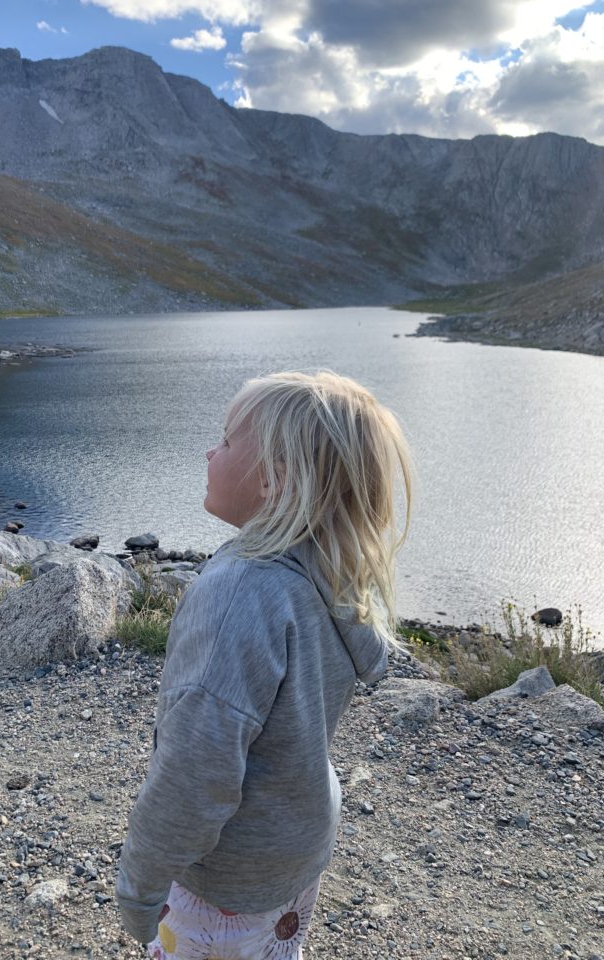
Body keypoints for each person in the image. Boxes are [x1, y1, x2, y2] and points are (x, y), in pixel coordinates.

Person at [116, 369, 413, 959]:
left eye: (226, 441)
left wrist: (140, 890)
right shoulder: (328, 570)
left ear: (276, 479)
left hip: (226, 881)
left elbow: (195, 775)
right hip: (295, 852)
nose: (209, 451)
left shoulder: (238, 595)